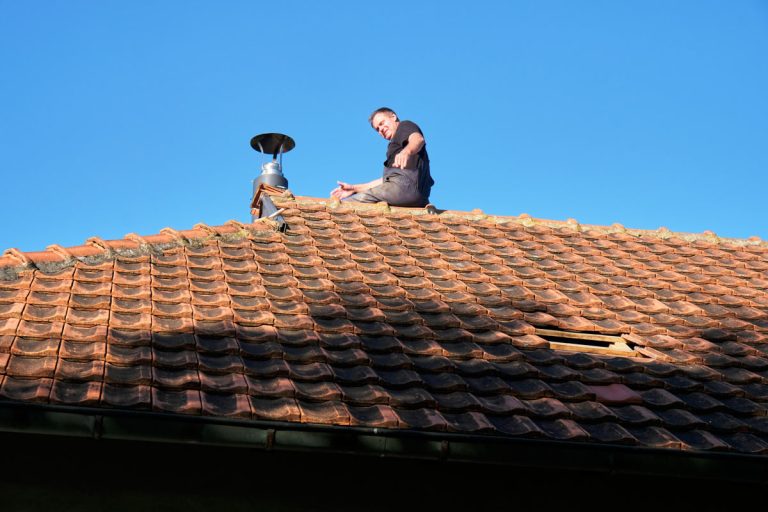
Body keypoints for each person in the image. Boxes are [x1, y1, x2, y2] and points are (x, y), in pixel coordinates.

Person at [331, 107, 434, 207]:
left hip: (406, 188)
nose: (381, 129)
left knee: (347, 205)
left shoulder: (404, 126)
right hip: (418, 197)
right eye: (377, 129)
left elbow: (418, 139)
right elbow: (386, 182)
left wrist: (407, 151)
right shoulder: (395, 147)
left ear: (393, 117)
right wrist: (354, 188)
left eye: (382, 123)